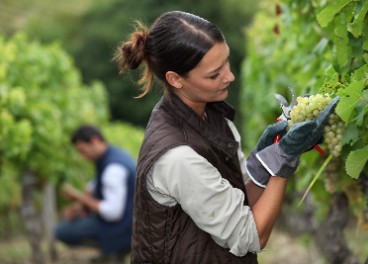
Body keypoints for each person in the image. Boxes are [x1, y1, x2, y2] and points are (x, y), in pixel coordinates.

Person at [114, 11, 339, 263]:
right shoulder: (177, 157)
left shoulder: (214, 119)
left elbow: (238, 200)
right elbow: (249, 236)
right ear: (175, 79)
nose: (229, 76)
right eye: (214, 74)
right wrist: (284, 160)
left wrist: (265, 161)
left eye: (227, 62)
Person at [54, 124, 136, 263]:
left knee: (62, 231)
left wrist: (77, 196)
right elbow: (93, 189)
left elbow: (112, 213)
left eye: (83, 151)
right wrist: (79, 207)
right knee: (70, 223)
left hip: (124, 228)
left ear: (95, 140)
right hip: (128, 223)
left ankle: (113, 251)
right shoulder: (111, 157)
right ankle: (110, 253)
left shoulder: (113, 168)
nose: (83, 157)